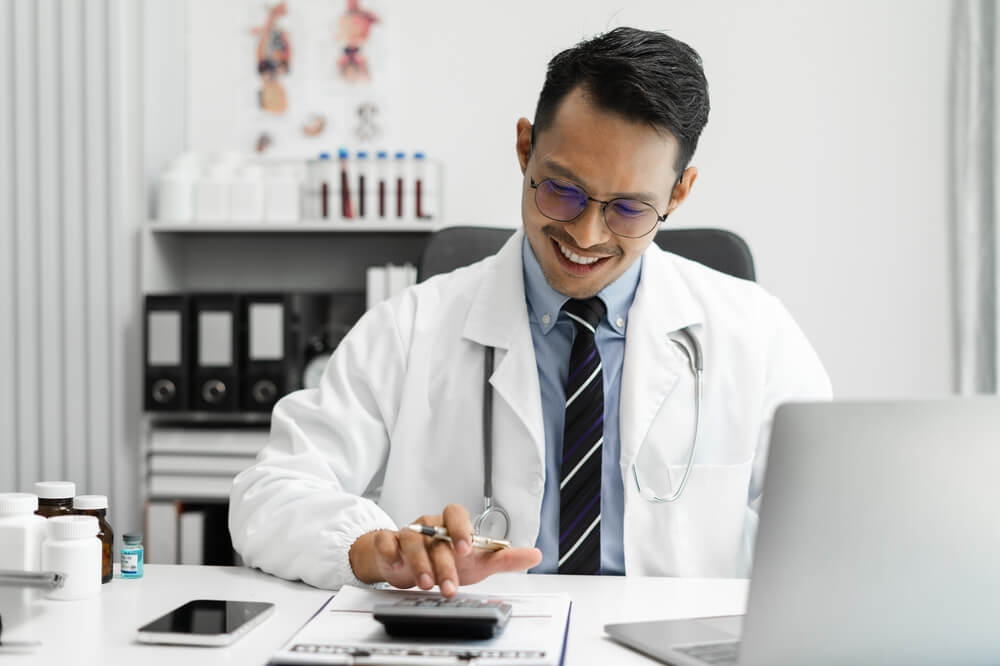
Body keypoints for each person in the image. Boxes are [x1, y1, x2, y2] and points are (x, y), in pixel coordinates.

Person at [229, 27, 831, 595]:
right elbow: (269, 493)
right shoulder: (409, 329)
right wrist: (372, 547)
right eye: (562, 190)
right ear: (525, 149)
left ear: (678, 193)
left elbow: (833, 523)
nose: (587, 234)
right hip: (475, 644)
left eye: (628, 209)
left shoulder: (756, 335)